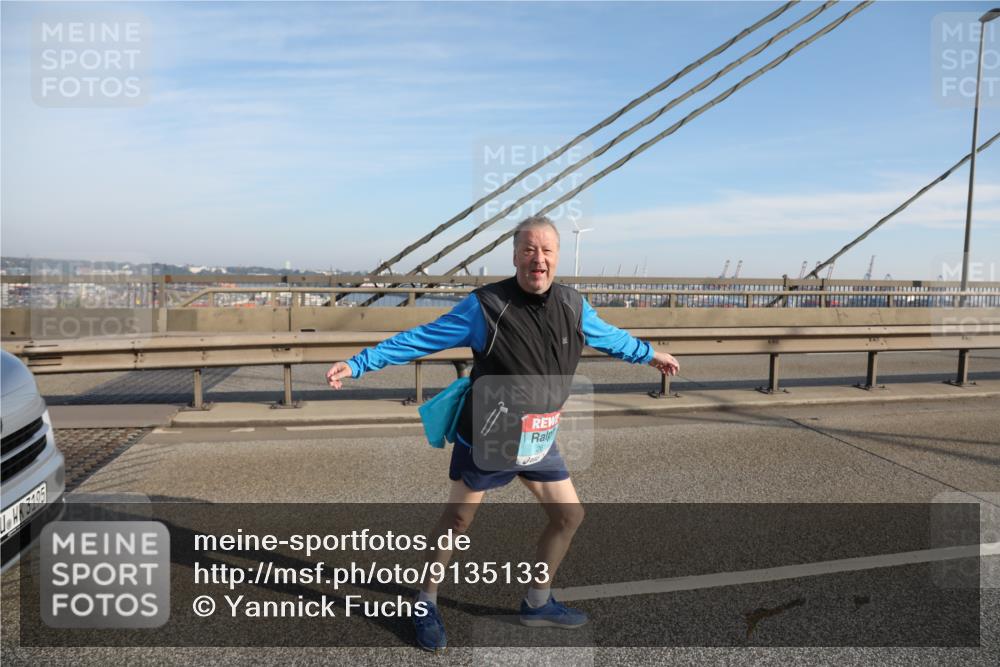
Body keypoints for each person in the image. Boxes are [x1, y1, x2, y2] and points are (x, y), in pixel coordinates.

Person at [326, 215, 679, 652]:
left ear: (557, 257)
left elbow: (610, 337)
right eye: (529, 250)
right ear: (515, 256)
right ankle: (425, 602)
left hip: (538, 438)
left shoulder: (573, 304)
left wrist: (649, 354)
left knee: (569, 516)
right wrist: (359, 363)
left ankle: (537, 601)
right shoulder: (486, 306)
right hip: (488, 436)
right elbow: (423, 338)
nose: (539, 258)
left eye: (547, 250)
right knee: (458, 520)